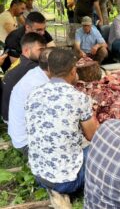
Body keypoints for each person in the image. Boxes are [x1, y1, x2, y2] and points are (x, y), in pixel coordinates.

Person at [25, 48, 98, 195]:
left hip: (39, 175)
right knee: (103, 149)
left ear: (49, 69)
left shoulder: (33, 93)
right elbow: (93, 137)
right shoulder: (78, 98)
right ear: (73, 71)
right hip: (67, 182)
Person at [8, 48, 53, 157]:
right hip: (26, 143)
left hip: (19, 135)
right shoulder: (39, 86)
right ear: (52, 67)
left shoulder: (37, 71)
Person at [1, 32, 46, 122]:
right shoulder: (33, 68)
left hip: (6, 112)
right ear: (26, 50)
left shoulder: (20, 61)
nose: (44, 53)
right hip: (15, 119)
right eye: (40, 50)